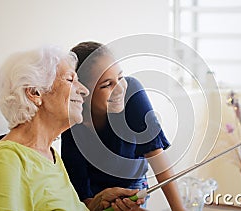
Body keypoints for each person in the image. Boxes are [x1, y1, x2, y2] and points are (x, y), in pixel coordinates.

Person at [0, 46, 145, 211]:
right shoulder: (8, 158)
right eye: (71, 80)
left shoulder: (49, 154)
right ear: (35, 92)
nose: (84, 91)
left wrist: (98, 203)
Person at [61, 41, 185, 210]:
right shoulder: (71, 119)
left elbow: (157, 156)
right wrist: (103, 204)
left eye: (120, 77)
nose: (120, 89)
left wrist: (180, 209)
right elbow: (81, 196)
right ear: (82, 91)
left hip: (133, 188)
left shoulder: (131, 91)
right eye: (107, 85)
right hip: (95, 195)